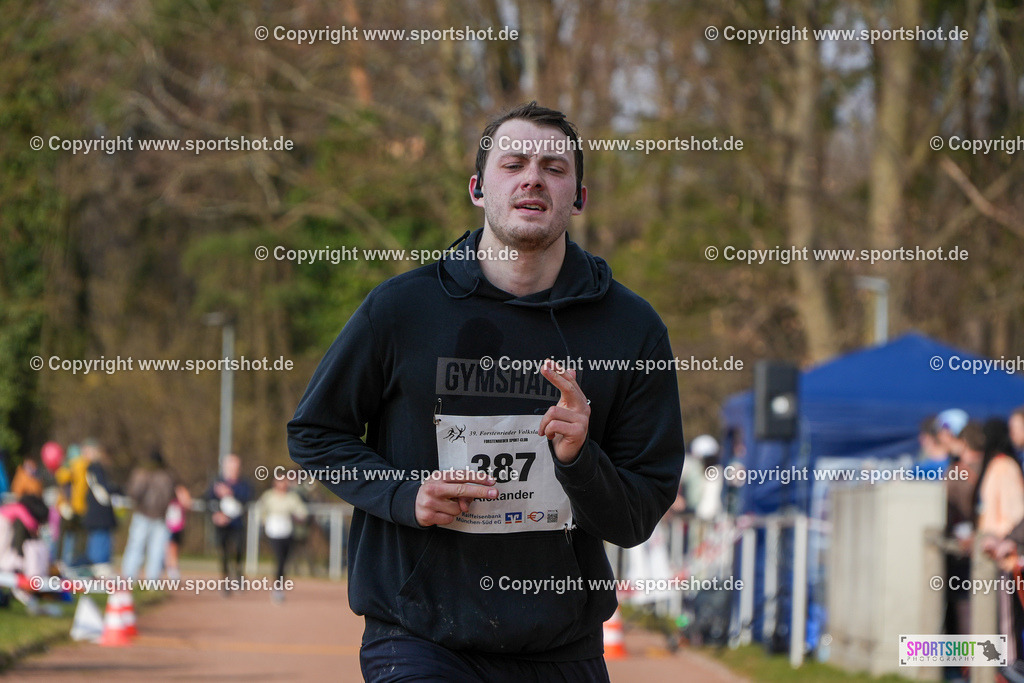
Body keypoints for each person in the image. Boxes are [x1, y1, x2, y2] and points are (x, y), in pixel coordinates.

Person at [288, 101, 686, 682]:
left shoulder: (631, 328)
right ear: (478, 188)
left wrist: (580, 459)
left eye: (554, 166)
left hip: (560, 646)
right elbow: (315, 434)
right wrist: (405, 495)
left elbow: (637, 515)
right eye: (513, 163)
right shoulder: (402, 309)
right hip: (418, 635)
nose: (533, 176)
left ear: (579, 197)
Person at [974, 418, 1024, 662]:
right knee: (996, 622)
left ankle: (1008, 669)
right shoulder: (997, 465)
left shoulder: (1005, 467)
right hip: (994, 553)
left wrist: (1005, 540)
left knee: (1006, 624)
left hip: (1008, 558)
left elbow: (1017, 513)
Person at [944, 420, 982, 640]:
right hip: (991, 546)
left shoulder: (957, 472)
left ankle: (968, 666)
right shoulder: (995, 466)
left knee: (963, 605)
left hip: (962, 546)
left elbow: (949, 511)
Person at [121, 449, 177, 580]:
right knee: (156, 550)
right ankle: (152, 580)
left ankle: (128, 578)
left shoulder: (141, 474)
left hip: (142, 514)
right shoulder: (168, 476)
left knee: (135, 547)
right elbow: (172, 495)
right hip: (161, 517)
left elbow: (134, 493)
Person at [256, 477, 308, 603]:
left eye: (285, 481)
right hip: (273, 531)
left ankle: (279, 584)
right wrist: (264, 521)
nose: (283, 484)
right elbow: (259, 510)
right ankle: (277, 588)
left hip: (287, 531)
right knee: (279, 558)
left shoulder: (292, 497)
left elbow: (302, 512)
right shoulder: (268, 496)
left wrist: (298, 517)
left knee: (284, 560)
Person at [206, 453, 252, 592]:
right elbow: (208, 501)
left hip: (237, 523)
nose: (233, 469)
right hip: (221, 523)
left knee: (239, 549)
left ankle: (238, 573)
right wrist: (216, 514)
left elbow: (247, 499)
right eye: (230, 466)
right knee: (224, 552)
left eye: (236, 466)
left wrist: (230, 492)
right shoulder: (216, 483)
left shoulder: (244, 484)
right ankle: (226, 581)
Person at [81, 439, 116, 572]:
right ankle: (99, 569)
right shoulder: (94, 468)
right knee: (99, 543)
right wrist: (117, 490)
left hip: (97, 515)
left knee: (99, 540)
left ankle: (97, 568)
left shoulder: (93, 468)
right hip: (99, 515)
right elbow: (102, 491)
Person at [164, 483, 192, 580]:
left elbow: (188, 503)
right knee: (169, 548)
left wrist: (181, 494)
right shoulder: (166, 494)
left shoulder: (179, 491)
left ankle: (173, 569)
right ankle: (171, 569)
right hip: (166, 526)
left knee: (174, 548)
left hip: (177, 527)